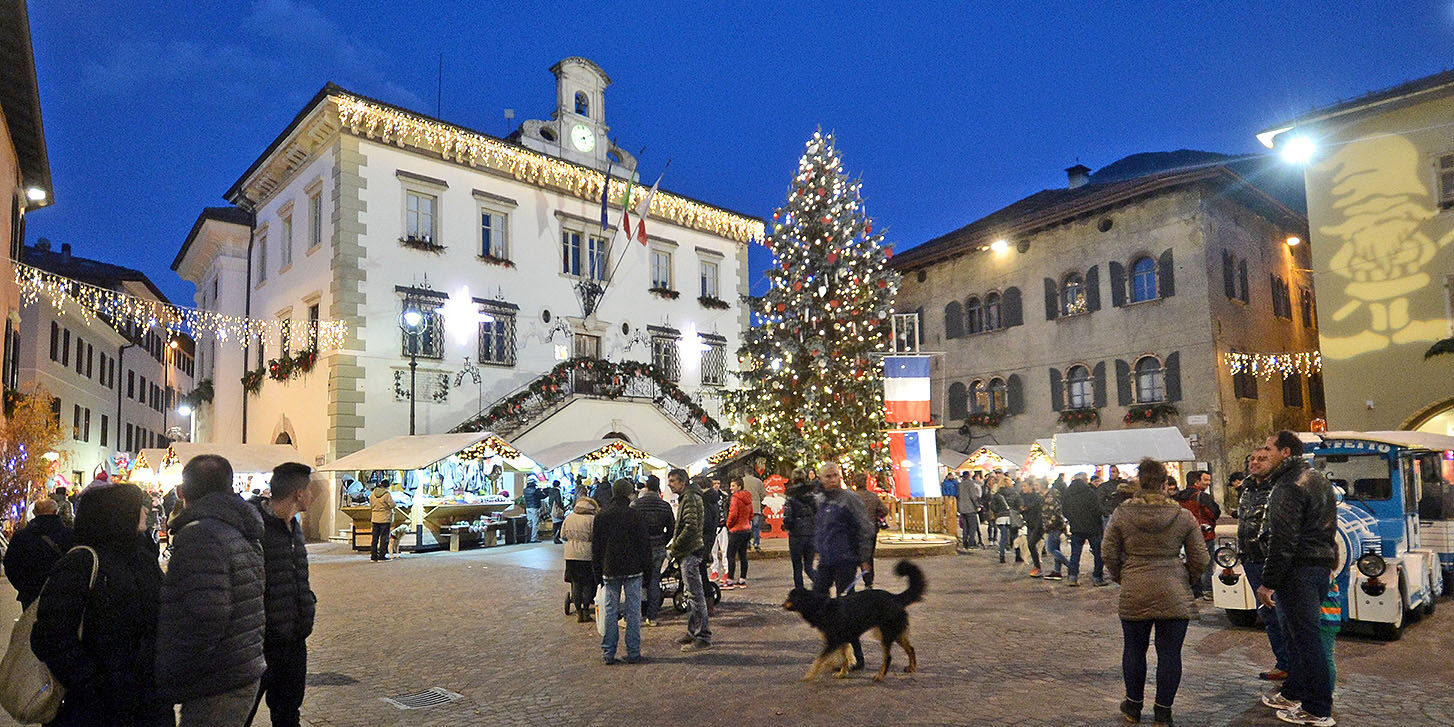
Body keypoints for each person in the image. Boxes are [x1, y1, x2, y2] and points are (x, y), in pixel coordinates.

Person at [30, 482, 173, 727]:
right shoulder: (81, 563)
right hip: (95, 708)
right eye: (138, 506)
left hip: (149, 702)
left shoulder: (144, 560)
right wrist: (94, 683)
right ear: (116, 513)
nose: (145, 511)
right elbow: (50, 637)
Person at [157, 454, 267, 726]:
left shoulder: (200, 534)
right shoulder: (238, 527)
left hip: (217, 677)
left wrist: (173, 670)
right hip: (238, 667)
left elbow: (205, 616)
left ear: (182, 491)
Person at [1102, 458, 1208, 727]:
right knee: (1170, 654)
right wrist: (1187, 577)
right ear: (1164, 484)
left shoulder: (1122, 513)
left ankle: (1133, 707)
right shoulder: (1182, 515)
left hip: (1135, 587)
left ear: (1139, 482)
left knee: (1134, 651)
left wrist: (1122, 575)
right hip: (1173, 589)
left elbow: (1108, 552)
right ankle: (1163, 712)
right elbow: (1200, 557)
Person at [1256, 431, 1338, 727]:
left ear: (1285, 452)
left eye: (1269, 449)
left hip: (1299, 569)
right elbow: (1329, 527)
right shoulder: (1317, 478)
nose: (1264, 454)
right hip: (1316, 565)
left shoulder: (1289, 485)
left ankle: (1317, 708)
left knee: (1305, 639)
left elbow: (1283, 538)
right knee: (1298, 637)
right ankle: (1295, 693)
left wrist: (1269, 581)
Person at [247, 462, 317, 727]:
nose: (312, 496)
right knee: (243, 714)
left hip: (294, 641)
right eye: (309, 490)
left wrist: (306, 608)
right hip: (262, 643)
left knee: (288, 713)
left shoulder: (294, 527)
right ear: (298, 493)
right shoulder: (257, 529)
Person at [812, 461, 874, 670]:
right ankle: (835, 648)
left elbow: (866, 528)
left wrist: (864, 557)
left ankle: (856, 657)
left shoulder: (849, 499)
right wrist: (817, 548)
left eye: (835, 475)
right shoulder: (820, 500)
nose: (832, 480)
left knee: (845, 608)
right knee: (818, 601)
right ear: (820, 479)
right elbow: (820, 528)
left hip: (845, 560)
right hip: (827, 561)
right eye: (827, 476)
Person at [1237, 448, 1290, 681]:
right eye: (1252, 459)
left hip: (1272, 560)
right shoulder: (1246, 488)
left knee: (1283, 615)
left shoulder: (1279, 487)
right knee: (1267, 615)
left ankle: (1295, 666)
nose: (1255, 463)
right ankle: (1284, 663)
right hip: (1251, 559)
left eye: (1262, 459)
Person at [591, 479, 651, 664]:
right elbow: (644, 545)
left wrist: (597, 573)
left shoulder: (602, 516)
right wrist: (647, 571)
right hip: (633, 568)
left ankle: (608, 653)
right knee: (633, 611)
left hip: (610, 568)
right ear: (628, 494)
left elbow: (596, 547)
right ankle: (633, 652)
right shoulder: (635, 515)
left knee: (610, 610)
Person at [666, 469, 711, 653]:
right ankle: (693, 631)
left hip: (690, 551)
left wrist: (676, 545)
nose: (669, 484)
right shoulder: (689, 496)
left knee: (695, 595)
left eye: (672, 481)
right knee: (691, 594)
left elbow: (690, 526)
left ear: (682, 483)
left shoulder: (691, 498)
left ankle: (702, 636)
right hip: (689, 550)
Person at [3, 497, 73, 608]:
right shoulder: (69, 535)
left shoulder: (21, 537)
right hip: (61, 592)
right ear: (56, 511)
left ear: (34, 513)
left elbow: (10, 565)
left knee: (31, 624)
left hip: (30, 593)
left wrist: (23, 587)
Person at [631, 474, 675, 627]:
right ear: (659, 488)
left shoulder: (636, 504)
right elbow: (672, 529)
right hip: (658, 547)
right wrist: (663, 540)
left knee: (637, 581)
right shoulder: (665, 506)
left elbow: (630, 527)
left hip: (639, 547)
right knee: (655, 580)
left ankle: (636, 614)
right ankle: (652, 616)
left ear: (646, 487)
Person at [1171, 472, 1219, 600]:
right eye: (1204, 480)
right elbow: (1214, 513)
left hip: (1185, 535)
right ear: (1197, 482)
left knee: (1190, 562)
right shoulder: (1202, 497)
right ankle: (1208, 590)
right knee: (1207, 563)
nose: (1207, 483)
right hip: (1204, 534)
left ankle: (1194, 589)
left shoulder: (1177, 497)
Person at [1063, 472, 1108, 587]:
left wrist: (1073, 520)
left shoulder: (1068, 493)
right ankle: (1097, 577)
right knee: (1098, 553)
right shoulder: (1090, 493)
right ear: (1084, 480)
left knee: (1075, 553)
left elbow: (1065, 510)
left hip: (1076, 528)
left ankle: (1073, 577)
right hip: (1092, 527)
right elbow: (1097, 509)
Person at [562, 496, 598, 622]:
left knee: (575, 583)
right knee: (588, 583)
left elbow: (563, 535)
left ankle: (578, 611)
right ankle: (586, 609)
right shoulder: (592, 519)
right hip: (587, 555)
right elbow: (595, 537)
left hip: (571, 554)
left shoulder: (569, 517)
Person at [782, 470, 818, 590]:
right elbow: (817, 513)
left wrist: (787, 526)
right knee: (808, 566)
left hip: (796, 535)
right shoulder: (812, 495)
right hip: (810, 533)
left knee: (797, 567)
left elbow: (788, 516)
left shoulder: (791, 496)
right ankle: (820, 584)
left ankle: (800, 592)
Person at [853, 472, 888, 585]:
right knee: (869, 557)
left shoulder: (851, 497)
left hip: (855, 531)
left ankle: (852, 581)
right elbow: (884, 511)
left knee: (854, 556)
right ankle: (869, 581)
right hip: (870, 531)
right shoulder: (873, 497)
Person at [724, 476, 753, 588]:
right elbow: (751, 514)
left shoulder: (735, 498)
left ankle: (730, 580)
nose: (731, 488)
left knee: (730, 555)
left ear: (739, 486)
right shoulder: (748, 497)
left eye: (733, 486)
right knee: (743, 555)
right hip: (746, 529)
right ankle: (742, 579)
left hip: (736, 530)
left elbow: (733, 514)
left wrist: (729, 524)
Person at [1041, 475, 1070, 580]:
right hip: (1056, 525)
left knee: (1051, 549)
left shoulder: (1050, 498)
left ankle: (1071, 566)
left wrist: (1048, 524)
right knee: (1056, 548)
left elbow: (1054, 513)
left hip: (1054, 526)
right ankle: (1057, 571)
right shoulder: (1052, 495)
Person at [701, 476, 726, 587]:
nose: (717, 485)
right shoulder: (705, 498)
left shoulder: (723, 496)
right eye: (714, 483)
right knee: (713, 550)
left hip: (721, 525)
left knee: (725, 549)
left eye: (718, 483)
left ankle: (726, 571)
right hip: (713, 527)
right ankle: (714, 571)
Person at [1020, 479, 1045, 577]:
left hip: (1038, 524)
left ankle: (1037, 567)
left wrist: (1026, 508)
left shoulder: (1037, 497)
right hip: (1030, 524)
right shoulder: (1023, 496)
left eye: (1025, 486)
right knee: (1031, 545)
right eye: (1022, 486)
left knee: (1031, 544)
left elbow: (1034, 508)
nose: (1023, 488)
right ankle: (1037, 566)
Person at [742, 459, 768, 551]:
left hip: (745, 507)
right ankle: (756, 543)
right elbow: (763, 495)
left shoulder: (742, 481)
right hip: (756, 507)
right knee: (756, 526)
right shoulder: (758, 482)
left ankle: (747, 543)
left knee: (746, 526)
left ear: (745, 473)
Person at [368, 480, 392, 561]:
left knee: (375, 538)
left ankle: (373, 556)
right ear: (387, 486)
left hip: (375, 518)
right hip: (385, 518)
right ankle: (382, 556)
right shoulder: (387, 494)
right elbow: (392, 504)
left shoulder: (373, 493)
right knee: (384, 538)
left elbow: (370, 504)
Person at [958, 471, 983, 549]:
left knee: (965, 526)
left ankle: (965, 542)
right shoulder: (970, 484)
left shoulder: (960, 484)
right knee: (972, 526)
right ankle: (971, 543)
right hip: (970, 508)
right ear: (969, 476)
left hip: (962, 509)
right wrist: (977, 505)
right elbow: (973, 496)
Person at [522, 479, 542, 543]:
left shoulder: (525, 491)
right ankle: (533, 538)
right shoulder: (535, 490)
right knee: (535, 523)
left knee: (529, 523)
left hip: (528, 507)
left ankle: (527, 537)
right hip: (535, 507)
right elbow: (541, 496)